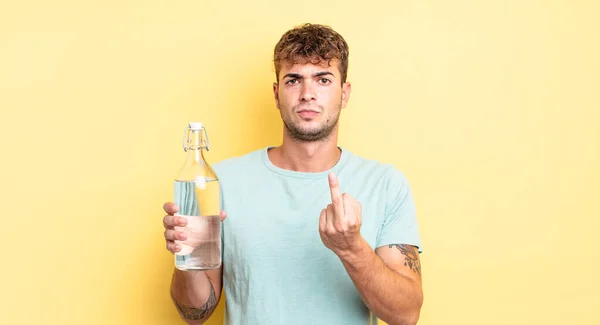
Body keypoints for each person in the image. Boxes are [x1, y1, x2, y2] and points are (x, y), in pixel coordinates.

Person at [162, 23, 424, 325]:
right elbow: (195, 313)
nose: (307, 94)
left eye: (323, 80)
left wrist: (352, 249)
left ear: (345, 93)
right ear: (276, 94)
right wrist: (187, 258)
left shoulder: (385, 184)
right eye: (293, 80)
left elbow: (405, 315)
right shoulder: (219, 183)